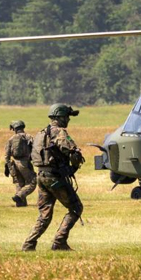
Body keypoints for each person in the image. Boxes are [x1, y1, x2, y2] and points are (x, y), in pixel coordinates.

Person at [22, 104, 84, 251]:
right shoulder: (60, 132)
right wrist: (74, 165)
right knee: (76, 208)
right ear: (60, 117)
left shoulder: (41, 133)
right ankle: (59, 241)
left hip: (42, 176)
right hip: (55, 178)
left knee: (44, 214)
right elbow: (72, 151)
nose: (68, 120)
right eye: (67, 117)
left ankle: (29, 244)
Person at [5, 120, 36, 207]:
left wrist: (9, 167)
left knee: (19, 183)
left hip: (14, 163)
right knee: (32, 182)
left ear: (14, 129)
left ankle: (20, 204)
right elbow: (35, 148)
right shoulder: (28, 136)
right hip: (24, 163)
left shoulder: (11, 139)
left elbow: (6, 156)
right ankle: (19, 196)